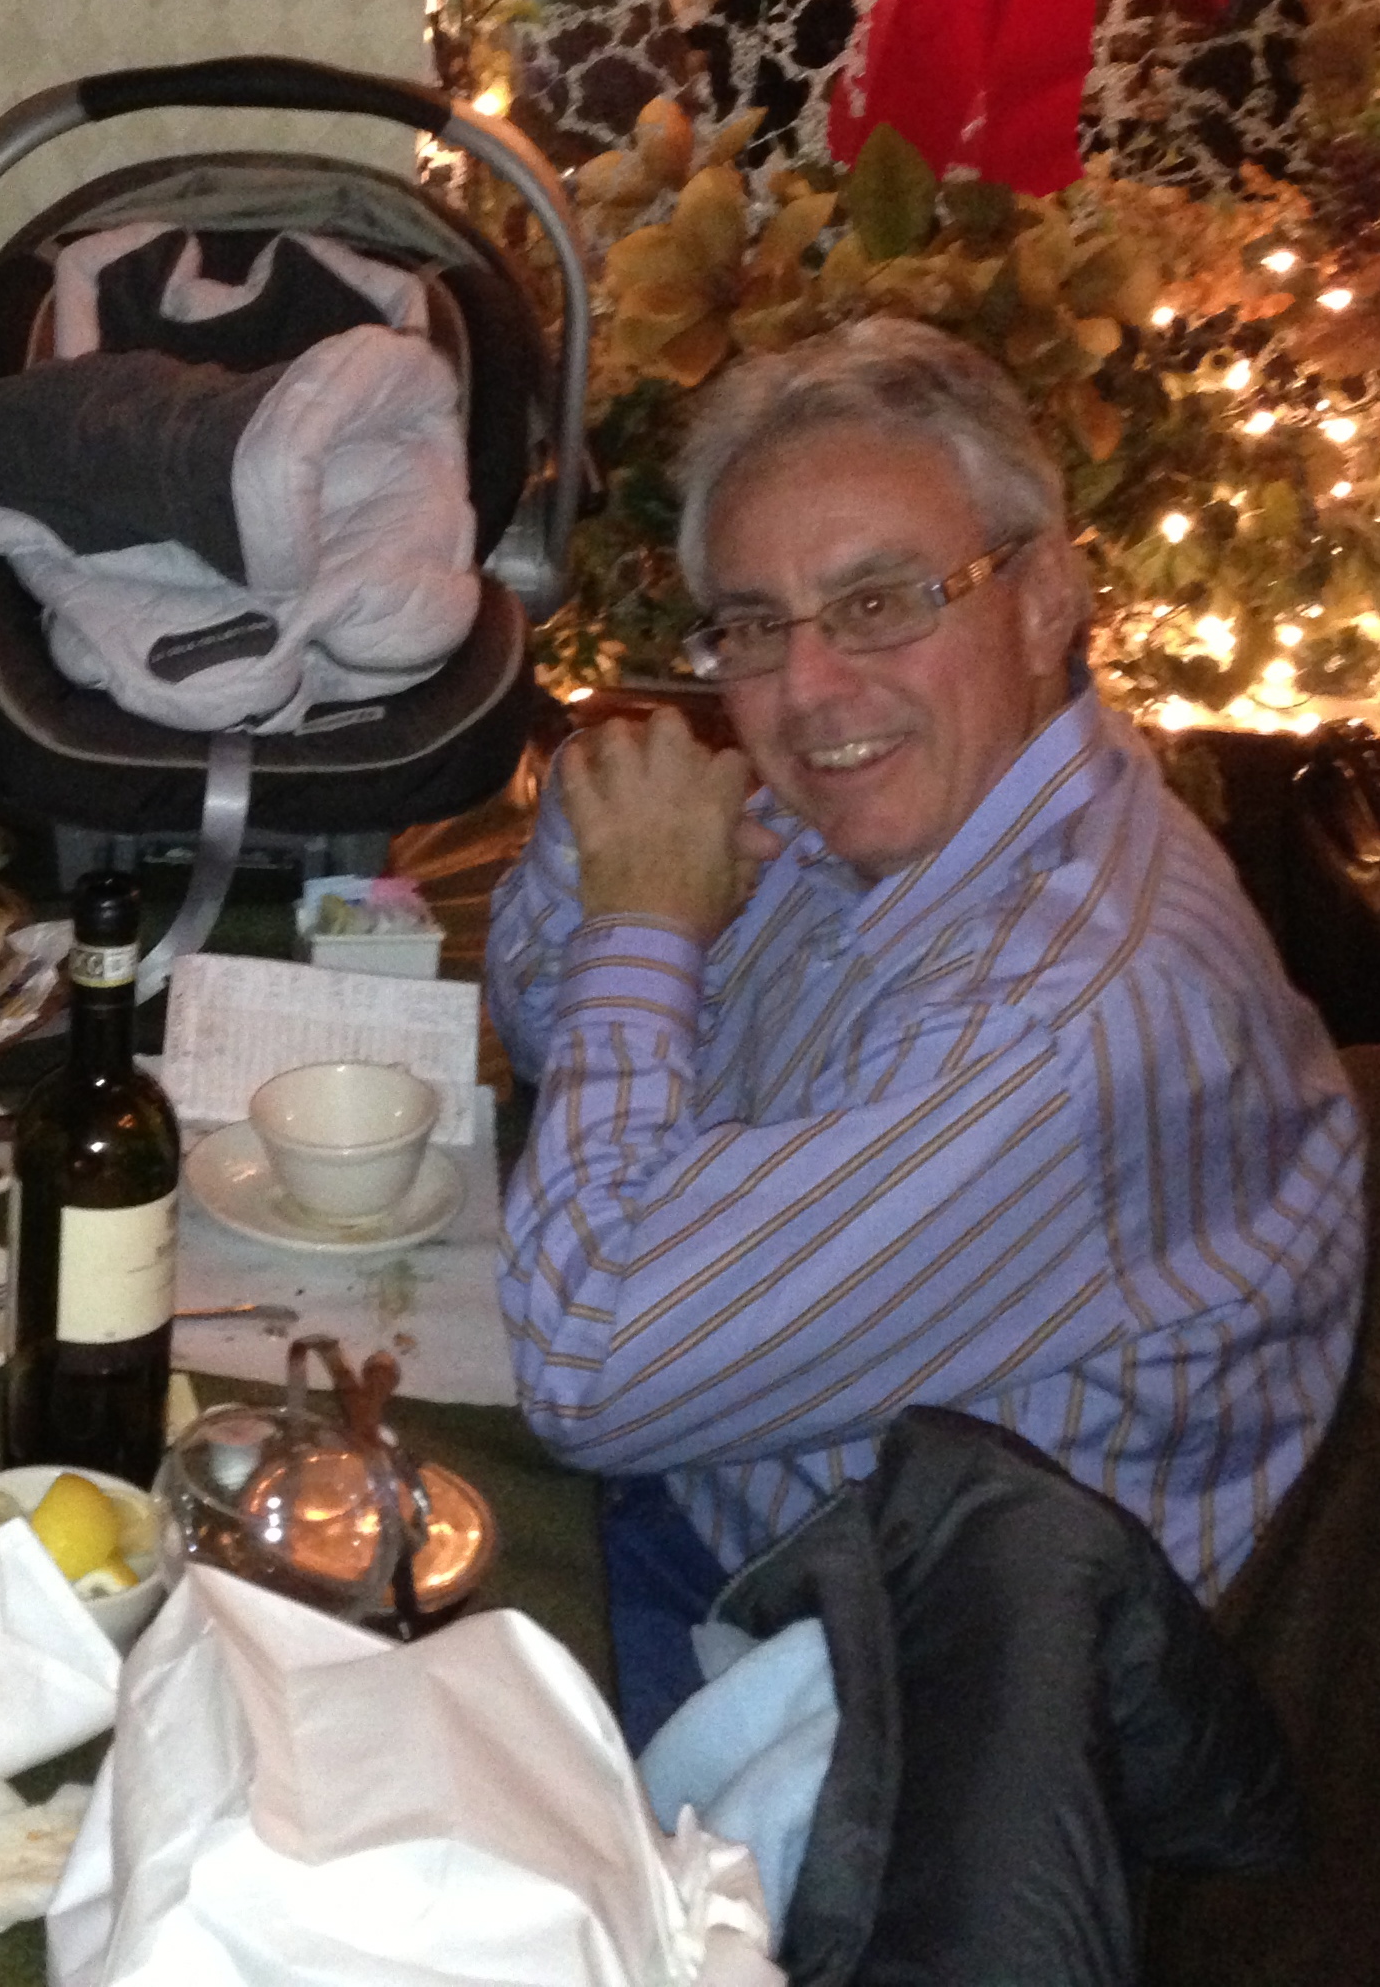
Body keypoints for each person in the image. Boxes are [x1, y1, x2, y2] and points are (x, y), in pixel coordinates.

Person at [485, 316, 1365, 1743]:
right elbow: (549, 1031)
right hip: (724, 1490)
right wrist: (602, 848)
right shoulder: (905, 809)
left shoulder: (1057, 1018)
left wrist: (643, 922)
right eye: (754, 624)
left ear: (1044, 597)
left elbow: (583, 1368)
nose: (807, 689)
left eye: (880, 601)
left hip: (875, 1701)